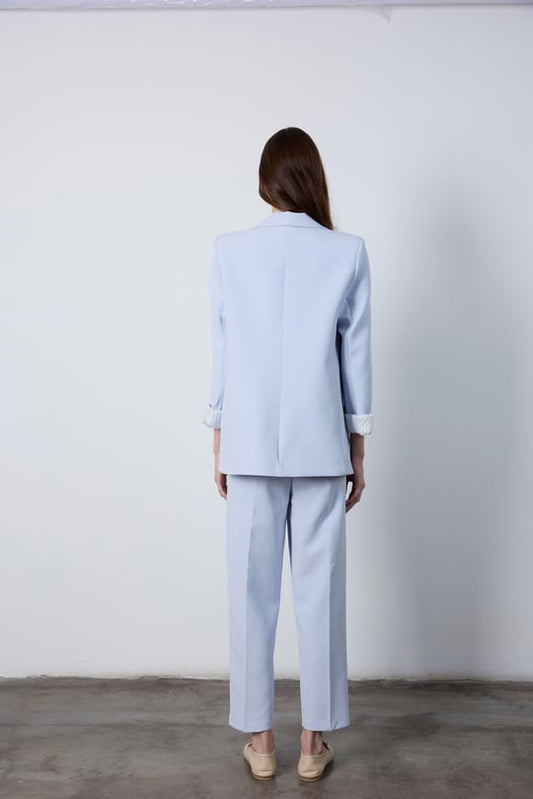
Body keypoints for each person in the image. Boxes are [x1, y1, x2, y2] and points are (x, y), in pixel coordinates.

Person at [203, 126, 373, 781]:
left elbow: (224, 351)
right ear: (312, 178)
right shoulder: (346, 251)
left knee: (250, 595)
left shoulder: (229, 250)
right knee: (319, 594)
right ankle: (311, 744)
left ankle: (260, 742)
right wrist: (357, 446)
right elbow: (354, 358)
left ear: (264, 180)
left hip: (249, 445)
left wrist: (218, 435)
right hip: (322, 445)